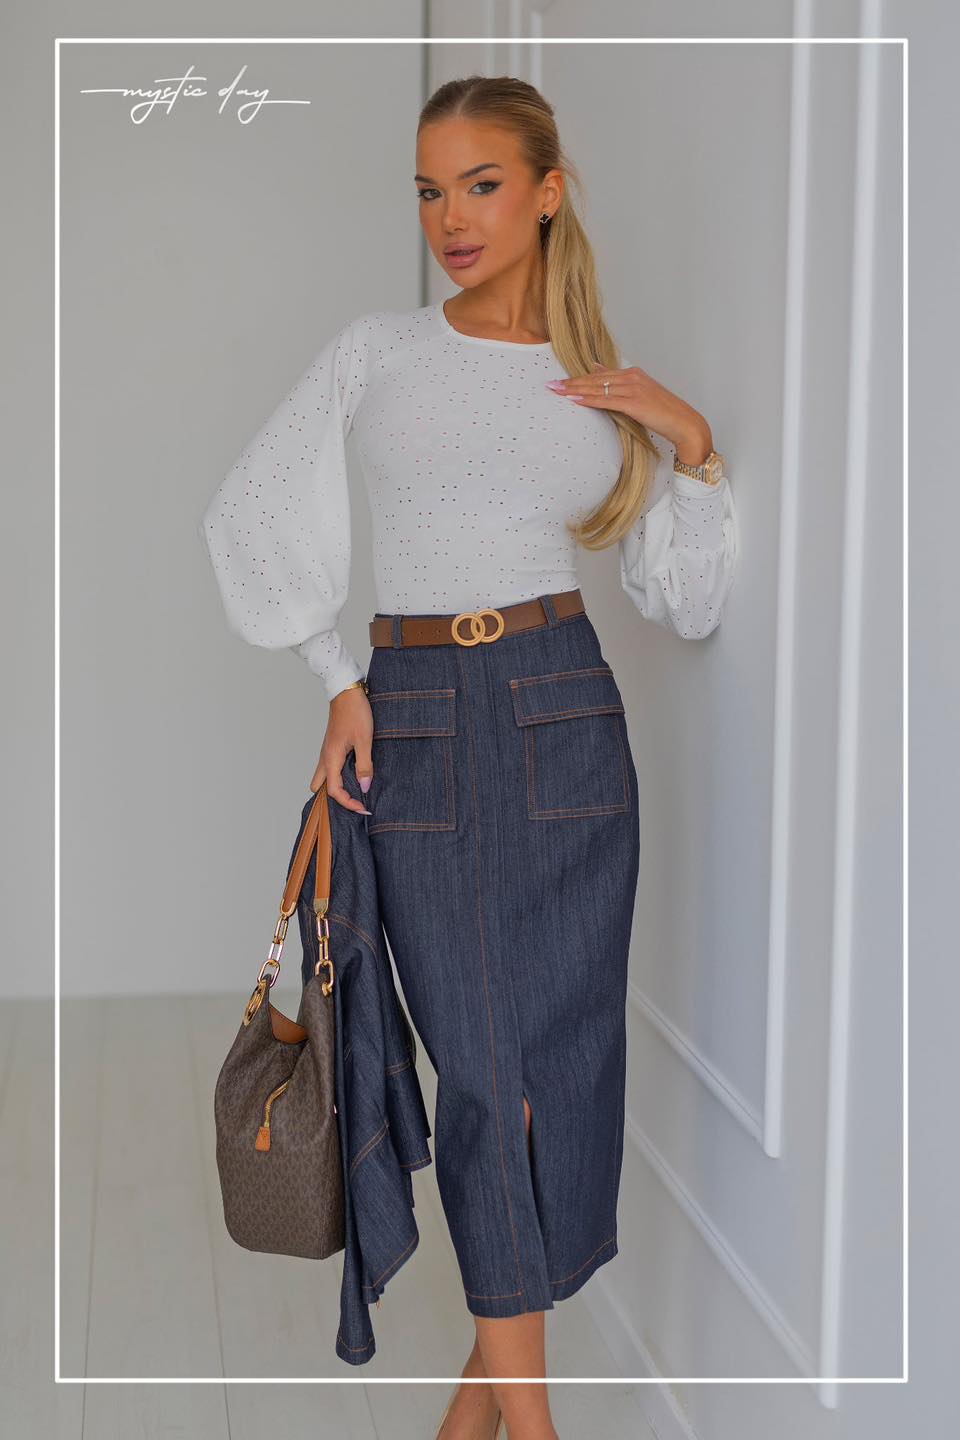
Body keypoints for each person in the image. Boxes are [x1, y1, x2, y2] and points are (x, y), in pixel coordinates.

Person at [199, 73, 738, 1440]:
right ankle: (532, 1425)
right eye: (432, 191)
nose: (452, 218)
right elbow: (250, 506)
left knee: (558, 1078)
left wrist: (693, 443)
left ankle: (480, 1415)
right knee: (487, 1076)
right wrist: (338, 679)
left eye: (482, 186)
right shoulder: (379, 351)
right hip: (419, 713)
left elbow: (685, 599)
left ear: (548, 192)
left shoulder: (598, 381)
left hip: (567, 716)